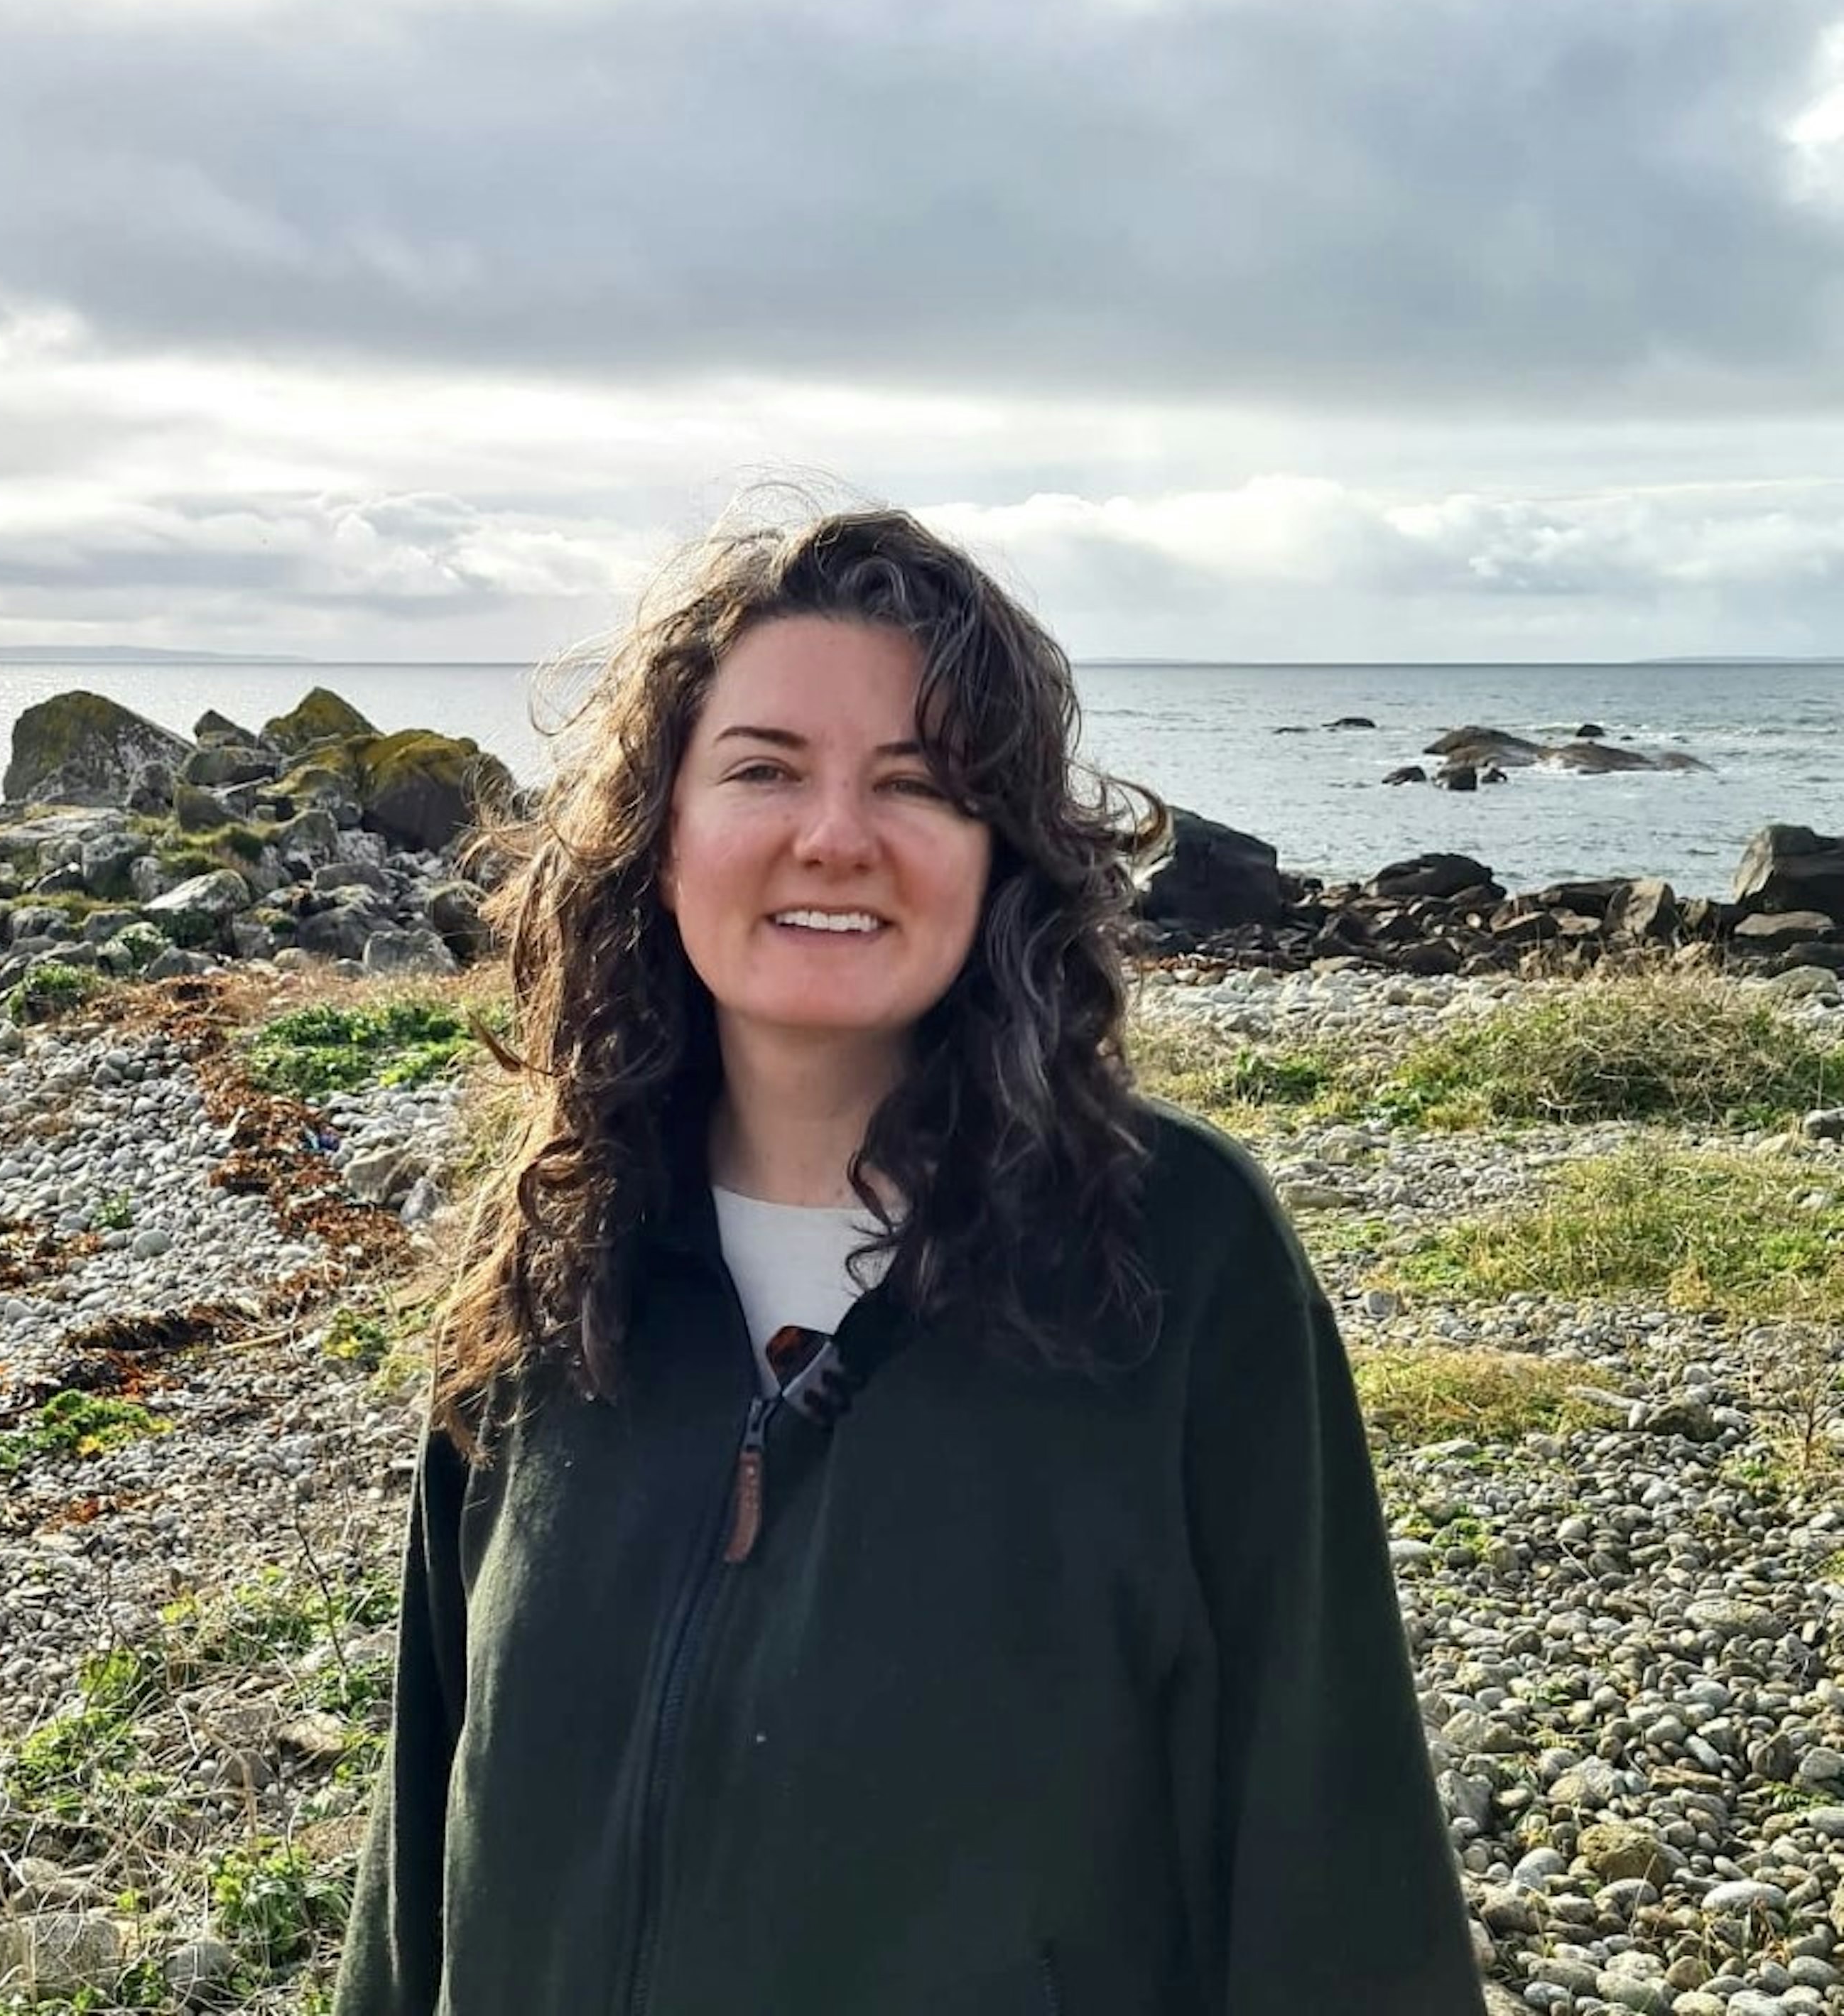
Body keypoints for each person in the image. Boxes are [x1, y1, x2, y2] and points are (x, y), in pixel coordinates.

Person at [332, 505, 1484, 2016]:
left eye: (920, 783)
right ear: (657, 834)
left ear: (1001, 856)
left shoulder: (1172, 1251)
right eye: (761, 769)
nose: (833, 834)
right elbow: (430, 1814)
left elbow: (1334, 1857)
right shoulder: (559, 1237)